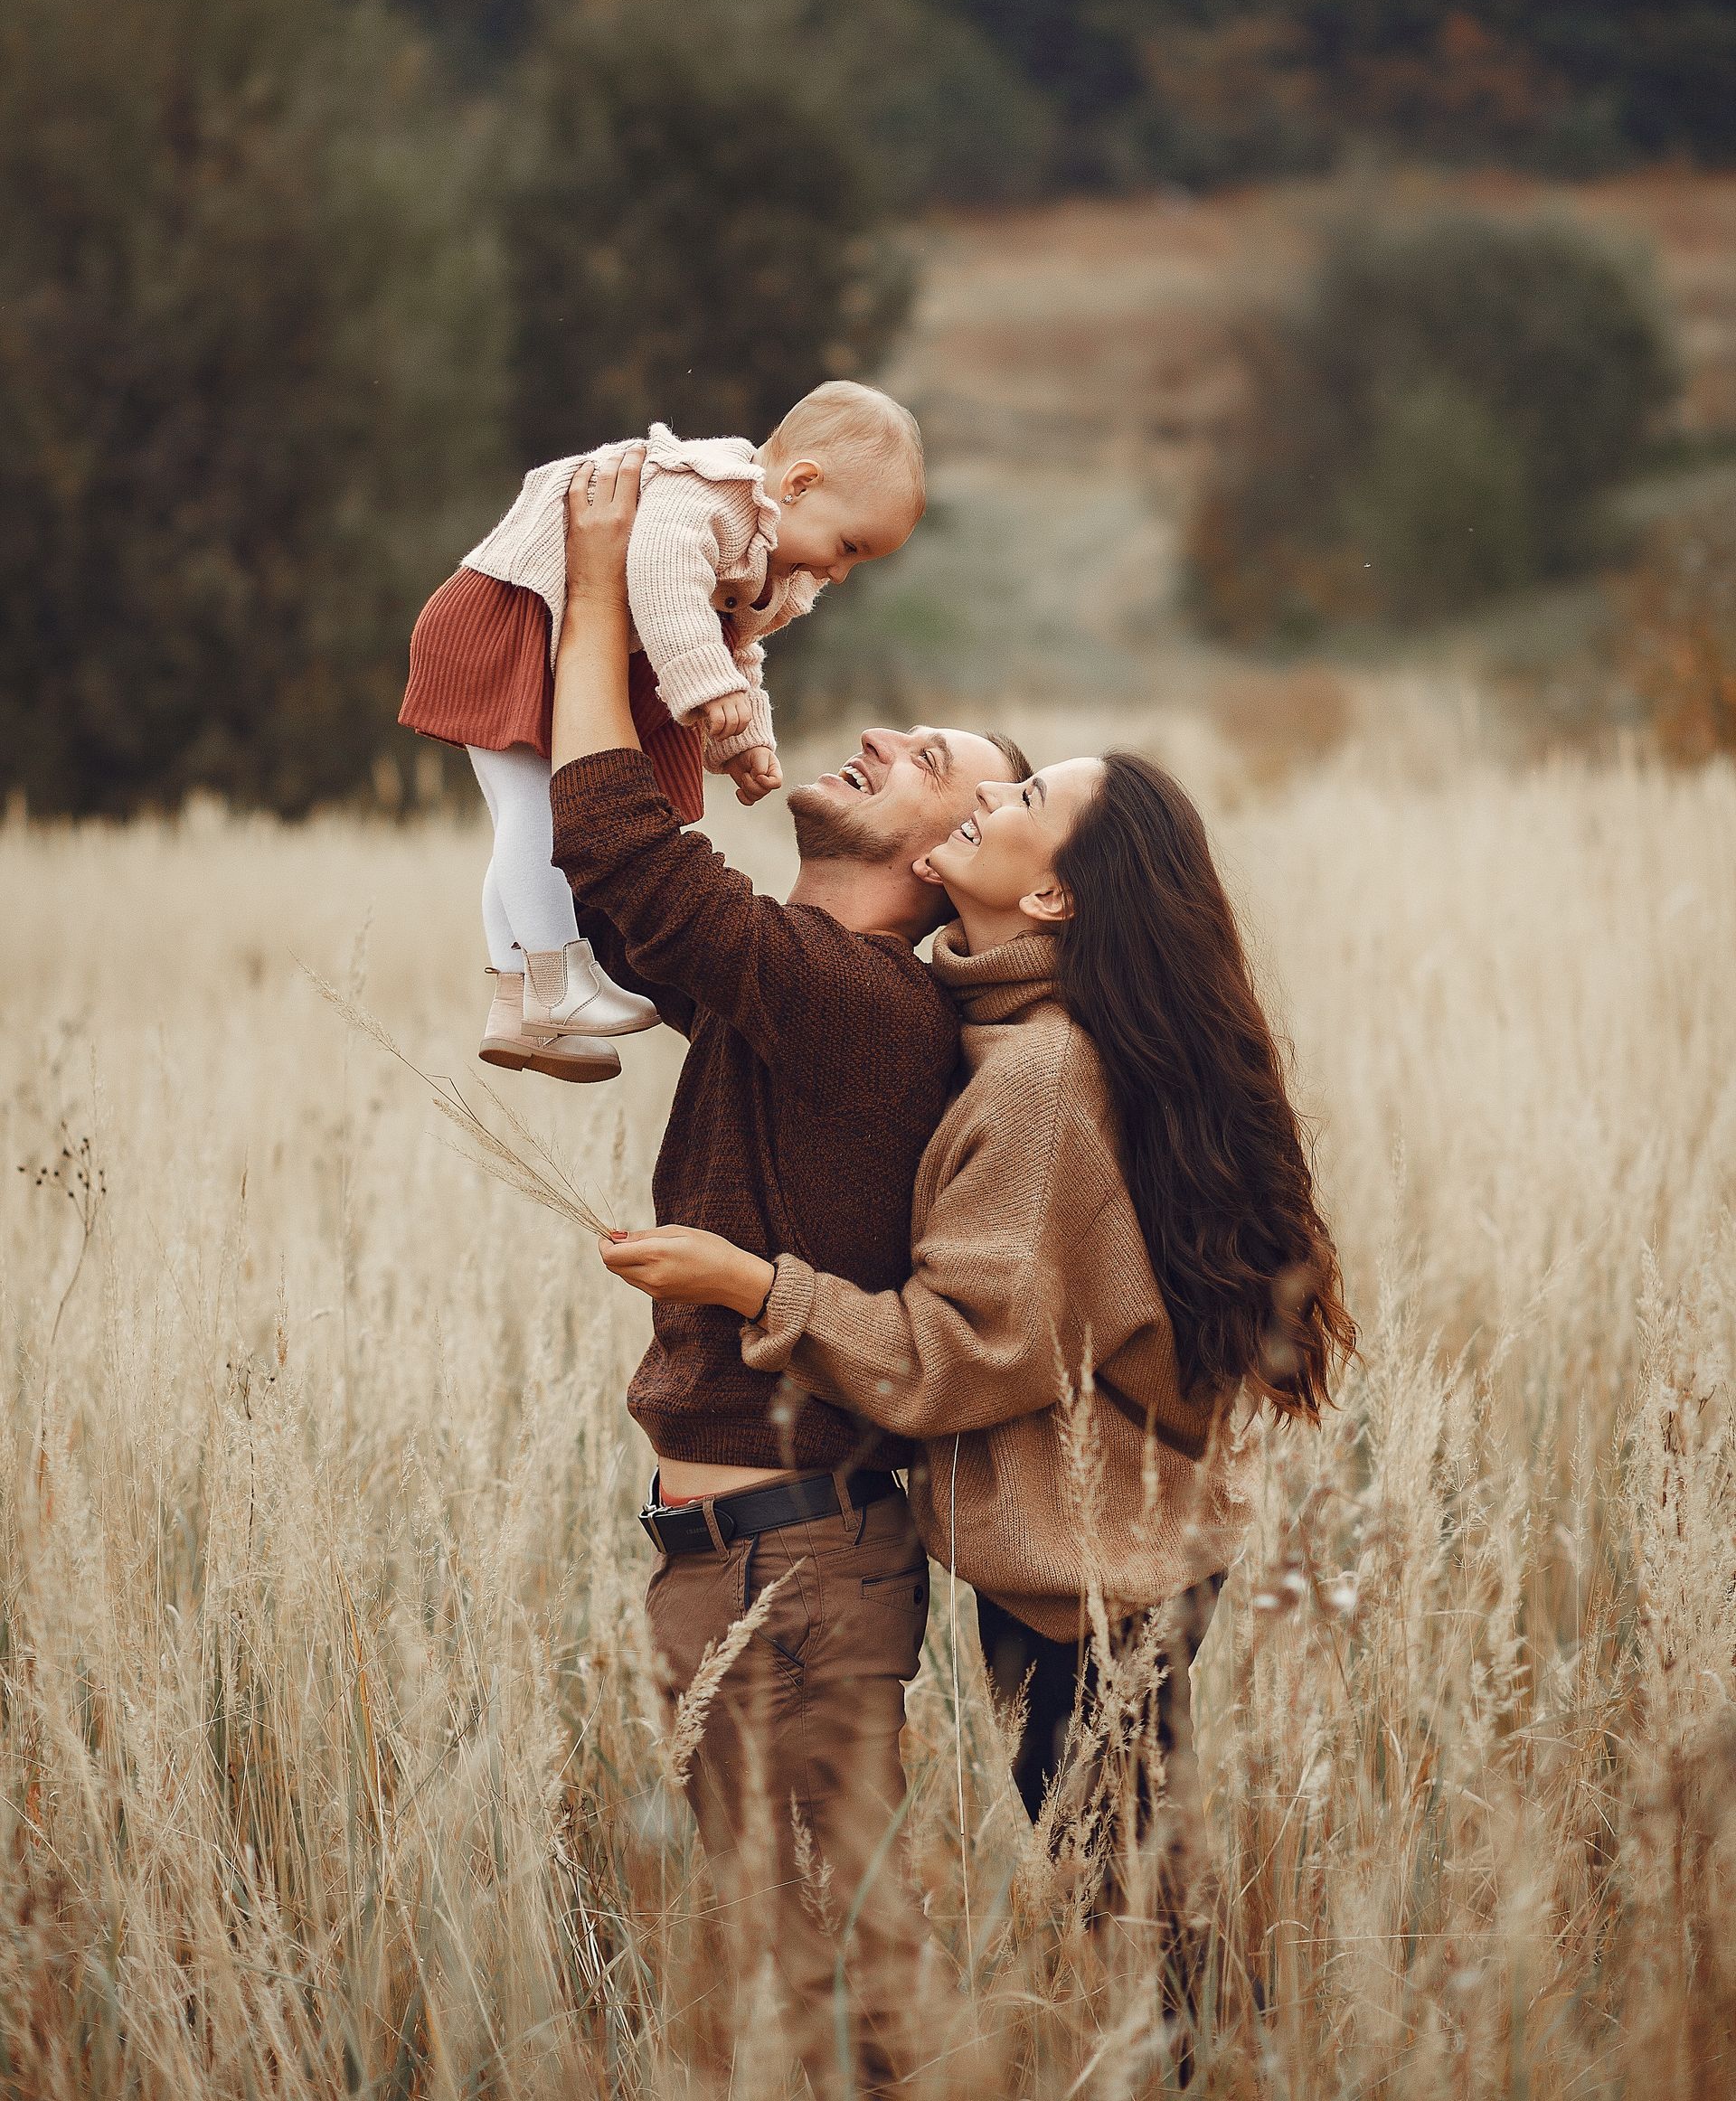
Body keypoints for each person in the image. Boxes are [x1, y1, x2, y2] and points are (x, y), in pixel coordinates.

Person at [599, 741, 1357, 1949]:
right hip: (1102, 1565)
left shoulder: (1040, 1073)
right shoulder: (1009, 1026)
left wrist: (747, 1283)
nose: (991, 801)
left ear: (1051, 896)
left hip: (1094, 1588)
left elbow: (960, 1353)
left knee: (1148, 1937)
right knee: (1145, 1911)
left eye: (1025, 799)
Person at [550, 444, 1031, 2096]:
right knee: (782, 1974)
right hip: (726, 1550)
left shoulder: (863, 1005)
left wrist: (603, 595)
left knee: (854, 1985)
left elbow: (628, 861)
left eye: (934, 764)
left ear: (955, 852)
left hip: (801, 1566)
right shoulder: (807, 984)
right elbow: (633, 917)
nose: (886, 735)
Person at [399, 381, 925, 1081]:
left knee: (521, 813)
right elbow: (660, 577)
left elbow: (737, 648)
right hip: (514, 616)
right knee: (537, 811)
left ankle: (519, 999)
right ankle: (561, 976)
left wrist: (741, 738)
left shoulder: (772, 555)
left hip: (558, 634)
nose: (840, 571)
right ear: (799, 484)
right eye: (848, 545)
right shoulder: (709, 492)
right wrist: (706, 688)